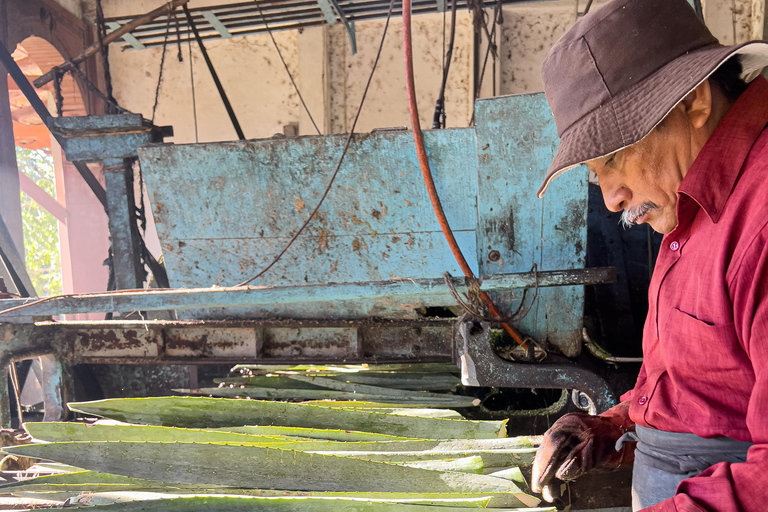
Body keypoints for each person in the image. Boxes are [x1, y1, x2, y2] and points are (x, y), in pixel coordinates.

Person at [530, 0, 768, 510]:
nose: (612, 196)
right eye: (597, 175)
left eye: (614, 159)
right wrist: (610, 426)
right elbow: (698, 390)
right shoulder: (686, 205)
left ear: (695, 102)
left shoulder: (761, 219)